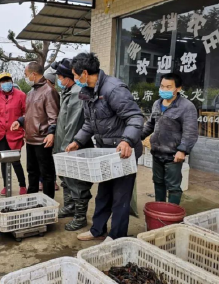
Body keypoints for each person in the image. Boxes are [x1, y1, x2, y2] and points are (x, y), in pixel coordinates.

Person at [66, 53, 144, 242]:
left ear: (84, 73)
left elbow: (135, 117)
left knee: (120, 197)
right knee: (104, 193)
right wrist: (77, 141)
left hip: (124, 151)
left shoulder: (114, 89)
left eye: (76, 75)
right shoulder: (87, 92)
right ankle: (97, 230)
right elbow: (89, 124)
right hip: (105, 152)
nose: (75, 79)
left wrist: (127, 140)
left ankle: (116, 236)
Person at [142, 73, 198, 205]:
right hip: (156, 152)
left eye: (169, 87)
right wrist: (135, 138)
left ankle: (172, 216)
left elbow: (190, 132)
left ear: (178, 88)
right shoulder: (157, 103)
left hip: (173, 155)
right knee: (158, 183)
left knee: (173, 187)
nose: (164, 90)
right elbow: (151, 124)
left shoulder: (186, 107)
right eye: (162, 86)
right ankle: (160, 211)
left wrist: (182, 150)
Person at [53, 58, 94, 231]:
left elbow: (73, 123)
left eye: (60, 77)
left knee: (77, 182)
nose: (59, 81)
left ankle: (80, 217)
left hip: (73, 147)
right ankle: (70, 207)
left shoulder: (78, 93)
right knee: (66, 179)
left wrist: (65, 148)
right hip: (63, 145)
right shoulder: (68, 90)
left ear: (67, 77)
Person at [11, 62, 60, 199]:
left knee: (46, 174)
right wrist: (20, 121)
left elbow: (53, 116)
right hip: (31, 139)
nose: (26, 78)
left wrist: (51, 133)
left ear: (33, 74)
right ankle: (31, 200)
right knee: (32, 172)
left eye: (26, 75)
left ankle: (48, 202)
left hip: (43, 139)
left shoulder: (49, 91)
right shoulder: (31, 92)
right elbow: (30, 113)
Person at [0, 72, 27, 196]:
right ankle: (6, 185)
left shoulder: (21, 95)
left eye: (8, 81)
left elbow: (26, 114)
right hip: (1, 133)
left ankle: (22, 185)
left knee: (16, 160)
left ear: (12, 81)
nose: (6, 83)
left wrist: (20, 125)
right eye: (3, 81)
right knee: (4, 160)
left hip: (15, 134)